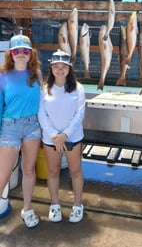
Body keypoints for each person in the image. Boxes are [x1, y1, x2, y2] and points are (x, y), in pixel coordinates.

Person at [38, 50, 85, 223]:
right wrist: (54, 135)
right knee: (53, 171)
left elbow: (79, 114)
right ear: (50, 68)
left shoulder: (78, 88)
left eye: (63, 66)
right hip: (51, 140)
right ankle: (55, 204)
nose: (60, 70)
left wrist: (65, 135)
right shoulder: (44, 89)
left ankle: (78, 204)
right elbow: (41, 115)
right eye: (56, 66)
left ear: (69, 68)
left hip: (73, 138)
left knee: (75, 171)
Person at [0, 34, 42, 228]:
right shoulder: (2, 76)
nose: (21, 54)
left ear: (30, 54)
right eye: (17, 51)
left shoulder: (37, 74)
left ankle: (27, 208)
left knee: (28, 169)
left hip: (33, 127)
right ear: (11, 53)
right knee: (3, 174)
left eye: (25, 51)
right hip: (10, 128)